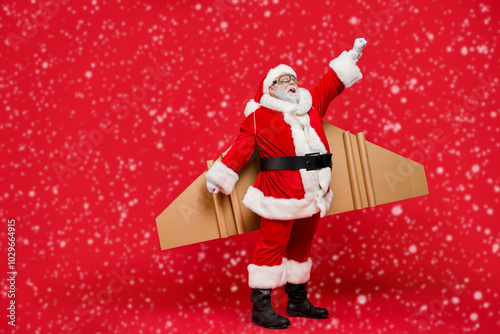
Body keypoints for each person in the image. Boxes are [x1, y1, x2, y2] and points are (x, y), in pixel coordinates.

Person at [205, 38, 367, 329]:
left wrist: (352, 56)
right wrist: (220, 177)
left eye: (293, 78)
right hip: (279, 194)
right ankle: (261, 305)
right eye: (283, 80)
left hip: (314, 193)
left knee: (301, 248)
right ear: (270, 89)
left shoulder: (310, 106)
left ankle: (297, 300)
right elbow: (240, 149)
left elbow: (330, 84)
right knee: (271, 246)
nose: (292, 83)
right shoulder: (259, 117)